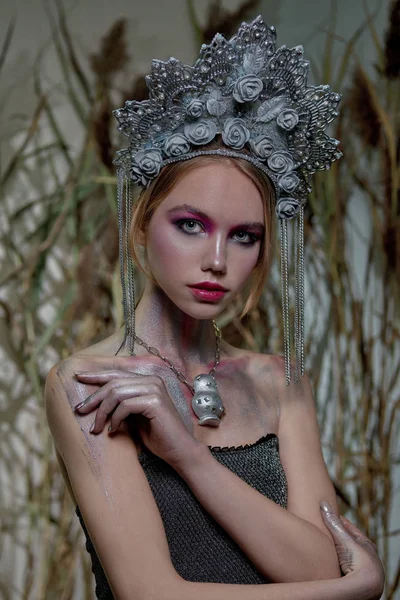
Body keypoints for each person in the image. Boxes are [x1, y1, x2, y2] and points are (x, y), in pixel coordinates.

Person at [45, 16, 385, 600]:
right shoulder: (91, 383)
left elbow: (319, 564)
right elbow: (149, 593)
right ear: (142, 223)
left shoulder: (279, 381)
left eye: (246, 236)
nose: (217, 260)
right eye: (190, 225)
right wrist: (358, 587)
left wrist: (188, 457)